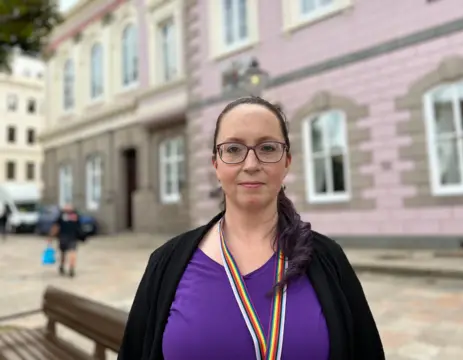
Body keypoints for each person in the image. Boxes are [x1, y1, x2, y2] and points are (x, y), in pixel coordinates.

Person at [118, 96, 385, 360]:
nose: (251, 164)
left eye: (267, 148)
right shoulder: (166, 263)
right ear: (216, 165)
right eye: (233, 149)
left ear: (287, 162)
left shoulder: (329, 260)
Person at [49, 203, 80, 277]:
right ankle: (71, 268)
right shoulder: (76, 215)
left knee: (64, 253)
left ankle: (62, 266)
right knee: (72, 252)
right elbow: (79, 226)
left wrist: (51, 237)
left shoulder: (62, 215)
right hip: (72, 237)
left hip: (63, 237)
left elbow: (56, 227)